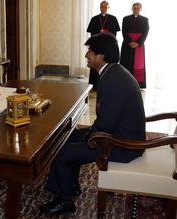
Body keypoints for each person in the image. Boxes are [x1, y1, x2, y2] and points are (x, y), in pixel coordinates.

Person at [39, 33, 146, 216]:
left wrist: (89, 135)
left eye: (90, 51)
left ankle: (65, 202)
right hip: (116, 134)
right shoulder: (113, 72)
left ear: (101, 56)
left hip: (122, 145)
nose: (86, 55)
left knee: (63, 152)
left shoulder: (113, 80)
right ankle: (70, 187)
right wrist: (88, 133)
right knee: (66, 138)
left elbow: (106, 124)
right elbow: (107, 120)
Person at [86, 1, 120, 90]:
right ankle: (94, 84)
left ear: (108, 7)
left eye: (105, 6)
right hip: (97, 46)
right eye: (101, 6)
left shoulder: (113, 19)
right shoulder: (94, 19)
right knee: (94, 63)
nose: (103, 8)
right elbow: (92, 34)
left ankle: (108, 83)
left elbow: (114, 35)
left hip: (107, 48)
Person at [120, 2, 149, 88]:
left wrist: (138, 42)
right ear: (132, 9)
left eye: (137, 8)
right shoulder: (125, 18)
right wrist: (130, 41)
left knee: (137, 65)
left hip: (139, 46)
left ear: (140, 9)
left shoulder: (145, 19)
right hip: (127, 44)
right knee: (126, 63)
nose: (135, 10)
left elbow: (145, 33)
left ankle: (138, 84)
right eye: (134, 8)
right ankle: (124, 83)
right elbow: (124, 31)